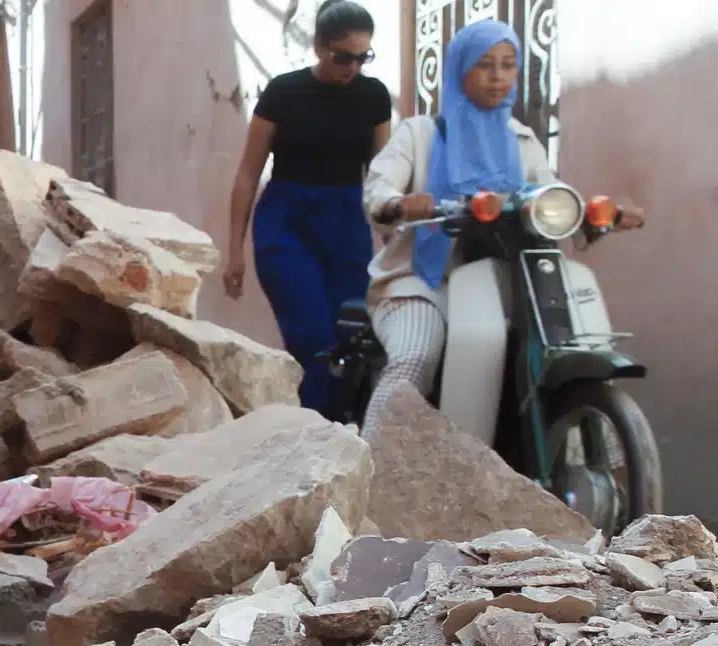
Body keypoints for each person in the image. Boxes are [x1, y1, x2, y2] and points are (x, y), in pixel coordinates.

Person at [359, 18, 645, 439]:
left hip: (512, 279)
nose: (498, 76)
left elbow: (548, 195)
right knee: (415, 358)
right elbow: (377, 191)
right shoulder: (419, 133)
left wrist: (596, 215)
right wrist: (399, 202)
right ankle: (369, 470)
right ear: (460, 70)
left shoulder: (521, 139)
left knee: (570, 342)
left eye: (508, 65)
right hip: (422, 281)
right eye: (485, 65)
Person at [224, 0, 393, 419]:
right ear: (318, 47)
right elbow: (248, 173)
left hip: (345, 224)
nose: (352, 67)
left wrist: (396, 242)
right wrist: (234, 252)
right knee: (313, 337)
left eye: (362, 57)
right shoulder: (284, 92)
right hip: (286, 223)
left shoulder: (373, 97)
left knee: (351, 338)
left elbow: (383, 177)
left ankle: (340, 434)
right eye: (343, 57)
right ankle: (317, 438)